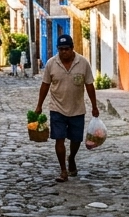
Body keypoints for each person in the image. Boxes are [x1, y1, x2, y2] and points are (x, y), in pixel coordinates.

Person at [35, 33, 98, 182]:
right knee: (59, 139)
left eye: (66, 49)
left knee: (76, 139)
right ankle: (63, 170)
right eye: (61, 49)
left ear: (72, 48)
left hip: (77, 108)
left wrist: (94, 106)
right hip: (57, 108)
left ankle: (72, 158)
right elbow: (45, 86)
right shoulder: (51, 64)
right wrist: (39, 106)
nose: (64, 52)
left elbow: (89, 86)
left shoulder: (83, 63)